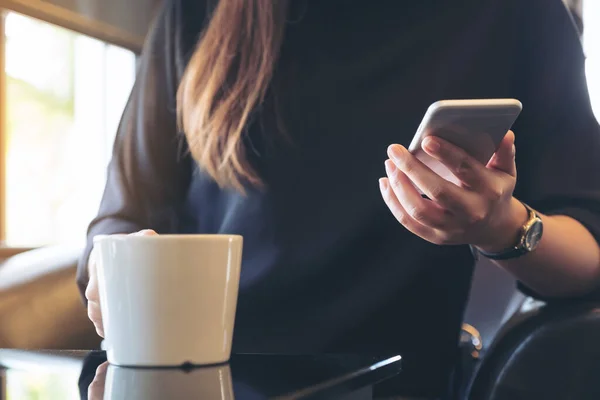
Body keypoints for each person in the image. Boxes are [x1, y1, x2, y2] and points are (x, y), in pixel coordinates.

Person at [78, 0, 600, 398]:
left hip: (392, 385)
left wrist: (501, 227)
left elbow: (590, 247)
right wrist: (116, 268)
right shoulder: (199, 12)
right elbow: (123, 216)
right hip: (197, 379)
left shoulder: (514, 14)